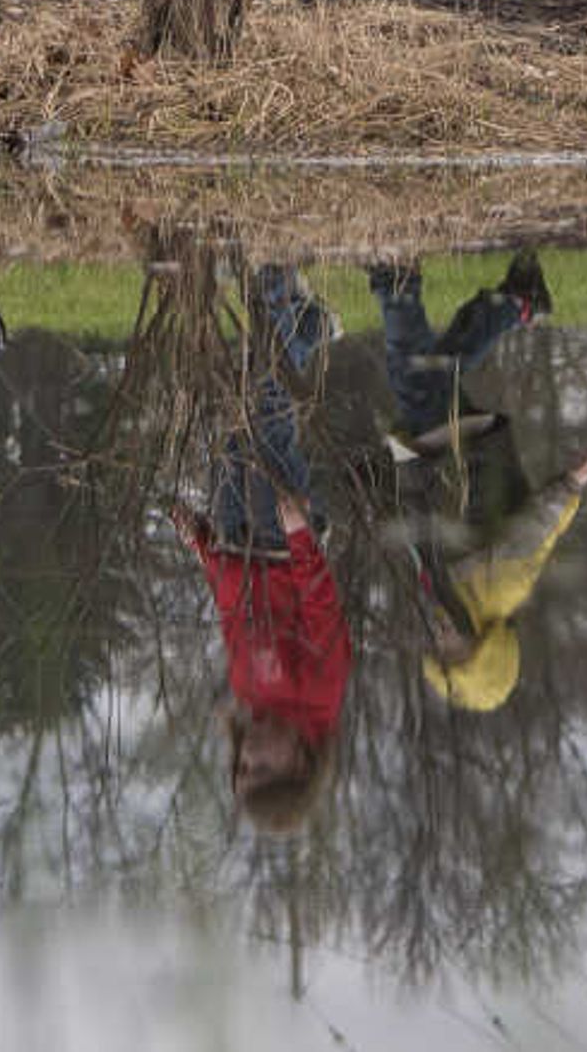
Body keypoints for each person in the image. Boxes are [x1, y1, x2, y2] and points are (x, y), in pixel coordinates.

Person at [173, 263, 352, 832]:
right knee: (266, 410)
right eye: (262, 765)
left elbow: (232, 615)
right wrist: (300, 536)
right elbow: (321, 612)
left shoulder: (251, 694)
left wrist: (205, 547)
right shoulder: (317, 693)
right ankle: (271, 274)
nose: (249, 753)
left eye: (242, 763)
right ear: (300, 760)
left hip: (233, 534)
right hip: (279, 536)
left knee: (237, 419)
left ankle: (309, 325)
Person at [369, 252, 587, 713]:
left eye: (438, 652)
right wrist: (570, 486)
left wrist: (391, 479)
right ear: (485, 646)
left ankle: (514, 303)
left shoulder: (435, 597)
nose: (443, 639)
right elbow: (535, 534)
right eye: (457, 651)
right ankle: (394, 274)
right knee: (418, 376)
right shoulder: (500, 589)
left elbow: (419, 529)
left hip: (432, 459)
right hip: (471, 459)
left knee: (431, 369)